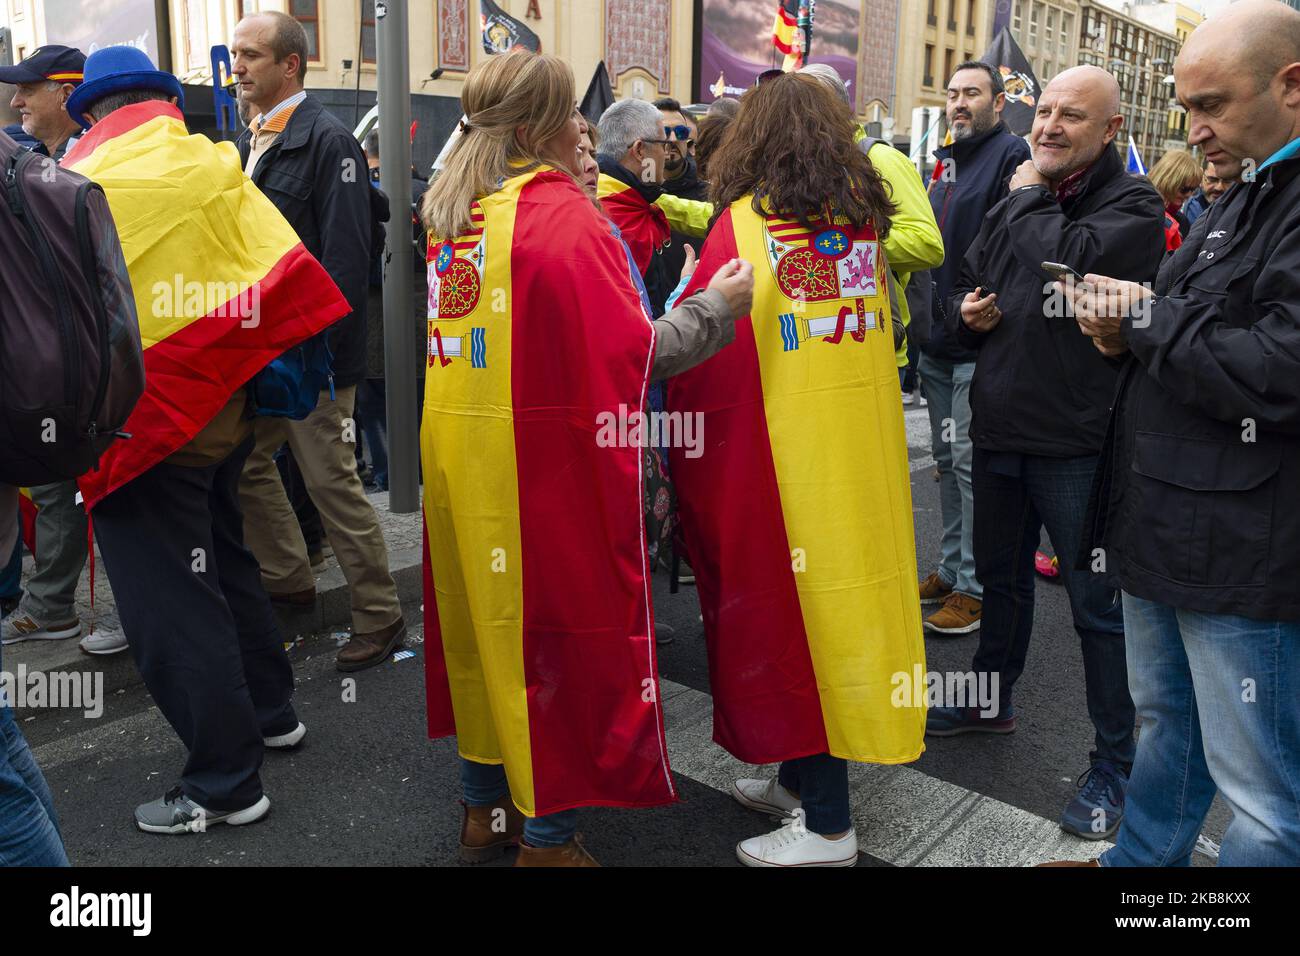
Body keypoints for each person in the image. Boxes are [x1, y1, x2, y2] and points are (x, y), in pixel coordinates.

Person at [420, 50, 752, 866]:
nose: (583, 126)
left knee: (482, 636)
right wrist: (720, 306)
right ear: (534, 128)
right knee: (555, 647)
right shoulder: (562, 217)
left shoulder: (458, 214)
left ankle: (482, 812)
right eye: (571, 111)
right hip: (547, 475)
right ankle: (548, 842)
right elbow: (637, 352)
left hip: (467, 466)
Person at [62, 46, 348, 832]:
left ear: (92, 111)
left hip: (147, 421)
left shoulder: (90, 177)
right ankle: (270, 712)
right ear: (160, 100)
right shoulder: (207, 159)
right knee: (224, 561)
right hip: (225, 406)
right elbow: (266, 266)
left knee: (170, 605)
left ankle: (225, 785)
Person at [1050, 0, 1300, 867]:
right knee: (1171, 733)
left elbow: (1281, 367)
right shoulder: (1252, 188)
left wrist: (1144, 321)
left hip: (1241, 546)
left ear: (1291, 86)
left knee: (1264, 798)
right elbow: (1199, 328)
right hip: (1176, 526)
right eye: (1185, 106)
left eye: (1212, 105)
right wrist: (1133, 326)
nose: (1193, 130)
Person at [668, 73, 924, 867]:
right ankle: (795, 786)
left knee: (791, 633)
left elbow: (706, 357)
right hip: (858, 466)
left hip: (775, 470)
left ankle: (828, 827)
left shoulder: (740, 229)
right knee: (838, 626)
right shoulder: (861, 228)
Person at [927, 65, 1166, 841]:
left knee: (1099, 612)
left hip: (1077, 445)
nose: (1050, 125)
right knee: (1001, 585)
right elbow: (972, 285)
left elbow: (1065, 257)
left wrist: (1026, 194)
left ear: (1111, 131)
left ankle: (1116, 764)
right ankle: (988, 701)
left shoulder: (1132, 204)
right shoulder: (1020, 196)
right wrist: (966, 315)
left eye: (1072, 116)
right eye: (1046, 111)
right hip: (999, 430)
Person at [231, 10, 407, 672]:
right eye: (234, 53)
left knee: (331, 483)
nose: (238, 65)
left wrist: (329, 365)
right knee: (246, 461)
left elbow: (344, 260)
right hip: (269, 347)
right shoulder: (258, 138)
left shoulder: (328, 141)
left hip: (313, 355)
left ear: (290, 65)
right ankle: (290, 578)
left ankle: (380, 616)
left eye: (251, 54)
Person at [0, 45, 124, 656]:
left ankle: (87, 608)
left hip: (87, 365)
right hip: (60, 362)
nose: (17, 100)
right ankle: (54, 605)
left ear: (67, 92)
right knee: (60, 485)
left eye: (29, 88)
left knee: (106, 484)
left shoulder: (94, 164)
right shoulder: (43, 162)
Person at [917, 61, 1031, 636]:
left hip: (976, 343)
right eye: (953, 93)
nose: (958, 103)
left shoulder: (1012, 156)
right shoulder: (950, 159)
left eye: (972, 94)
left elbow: (1015, 247)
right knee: (947, 463)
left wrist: (982, 313)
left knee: (967, 468)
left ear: (998, 103)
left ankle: (975, 588)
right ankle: (952, 566)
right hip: (938, 342)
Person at [798, 63, 946, 420]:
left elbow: (928, 244)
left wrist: (850, 245)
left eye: (804, 108)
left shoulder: (882, 159)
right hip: (819, 344)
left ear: (833, 110)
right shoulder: (806, 165)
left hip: (874, 345)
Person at [595, 99, 711, 317]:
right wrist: (684, 290)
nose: (667, 151)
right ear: (640, 150)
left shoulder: (635, 198)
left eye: (680, 132)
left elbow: (688, 212)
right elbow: (638, 323)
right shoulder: (615, 217)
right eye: (662, 143)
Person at [0, 45, 84, 160]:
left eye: (26, 90)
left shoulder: (92, 158)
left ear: (66, 96)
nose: (14, 103)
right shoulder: (31, 157)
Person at [1146, 147, 1202, 250]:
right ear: (1168, 181)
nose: (1189, 195)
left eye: (1193, 189)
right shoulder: (1139, 208)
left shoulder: (1182, 221)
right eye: (1184, 189)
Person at [1182, 158, 1231, 225]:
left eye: (1226, 181)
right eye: (1212, 180)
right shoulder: (1191, 206)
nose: (1219, 187)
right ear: (1201, 177)